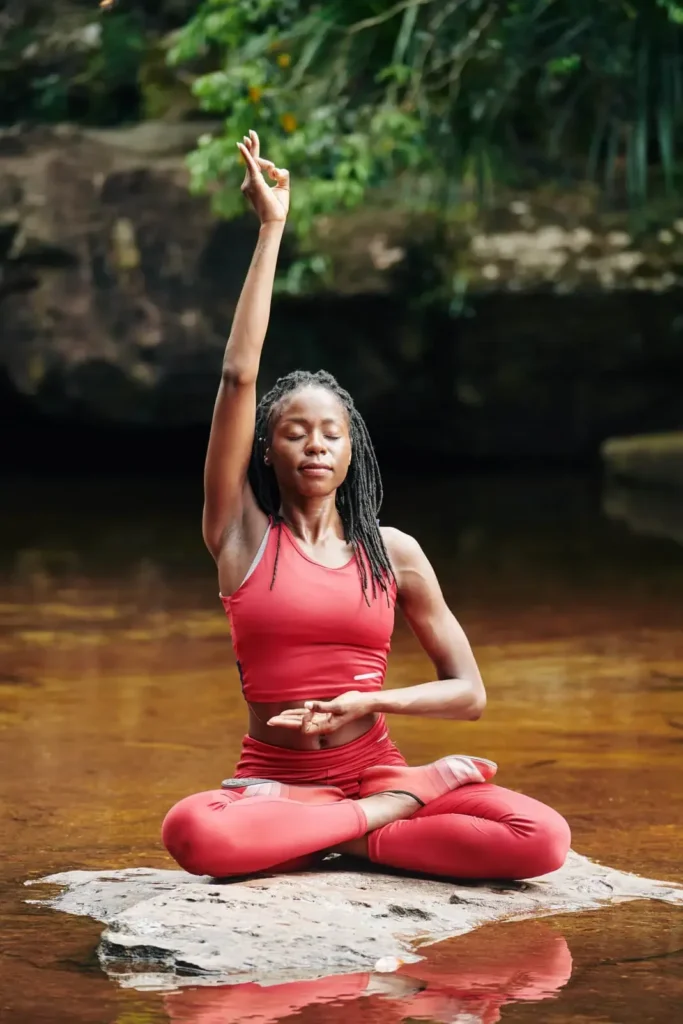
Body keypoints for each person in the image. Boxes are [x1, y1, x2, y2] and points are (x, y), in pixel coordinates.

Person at [161, 130, 571, 881]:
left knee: (540, 837)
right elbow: (235, 379)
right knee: (190, 832)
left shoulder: (395, 552)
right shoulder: (238, 536)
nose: (314, 446)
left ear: (352, 451)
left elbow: (468, 694)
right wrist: (271, 229)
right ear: (268, 451)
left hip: (373, 767)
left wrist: (371, 701)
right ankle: (368, 827)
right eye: (294, 433)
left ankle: (337, 830)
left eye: (331, 434)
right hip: (275, 783)